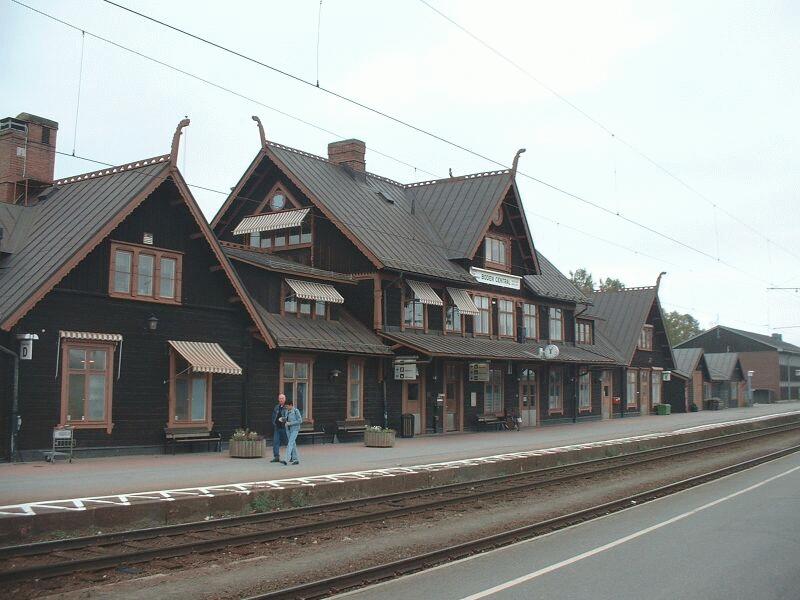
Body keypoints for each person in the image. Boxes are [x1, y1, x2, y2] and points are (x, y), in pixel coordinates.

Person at [282, 399, 302, 465]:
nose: (286, 408)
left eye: (287, 406)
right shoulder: (286, 411)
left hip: (295, 429)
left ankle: (286, 459)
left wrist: (290, 423)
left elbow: (300, 421)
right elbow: (286, 419)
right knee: (293, 444)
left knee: (290, 443)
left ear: (291, 405)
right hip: (288, 429)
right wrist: (283, 419)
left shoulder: (296, 411)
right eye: (286, 407)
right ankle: (295, 459)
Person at [270, 393, 288, 463]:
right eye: (280, 398)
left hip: (284, 428)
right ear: (278, 399)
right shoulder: (276, 407)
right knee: (275, 442)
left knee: (287, 442)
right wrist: (274, 423)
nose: (281, 400)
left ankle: (293, 456)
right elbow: (273, 416)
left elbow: (288, 417)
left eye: (282, 398)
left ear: (285, 399)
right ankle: (276, 457)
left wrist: (283, 420)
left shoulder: (287, 407)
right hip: (277, 427)